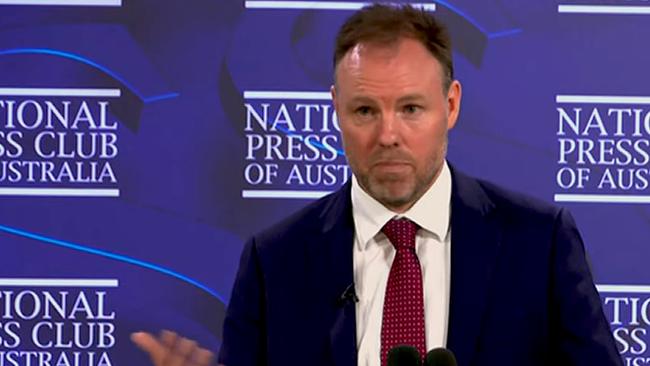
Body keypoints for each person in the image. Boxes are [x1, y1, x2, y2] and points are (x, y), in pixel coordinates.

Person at [134, 4, 623, 366]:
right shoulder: (276, 259)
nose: (388, 135)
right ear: (337, 110)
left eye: (411, 108)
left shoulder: (538, 242)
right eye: (365, 110)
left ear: (450, 106)